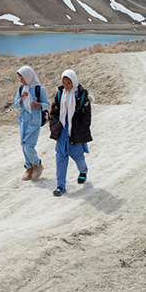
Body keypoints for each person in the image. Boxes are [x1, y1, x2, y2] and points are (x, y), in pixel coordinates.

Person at [48, 69, 92, 197]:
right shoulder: (60, 93)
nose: (66, 86)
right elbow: (54, 112)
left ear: (74, 82)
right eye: (64, 83)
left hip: (75, 131)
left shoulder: (81, 95)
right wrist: (55, 127)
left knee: (77, 156)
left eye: (69, 83)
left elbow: (86, 116)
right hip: (62, 131)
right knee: (60, 158)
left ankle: (83, 170)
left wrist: (82, 131)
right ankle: (60, 186)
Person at [13, 65, 49, 180]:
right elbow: (15, 105)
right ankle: (29, 168)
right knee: (23, 145)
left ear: (28, 77)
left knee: (29, 145)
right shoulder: (21, 89)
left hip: (34, 120)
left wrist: (38, 105)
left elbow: (46, 104)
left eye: (22, 78)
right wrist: (22, 98)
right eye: (20, 79)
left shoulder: (39, 90)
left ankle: (37, 164)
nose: (21, 81)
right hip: (23, 119)